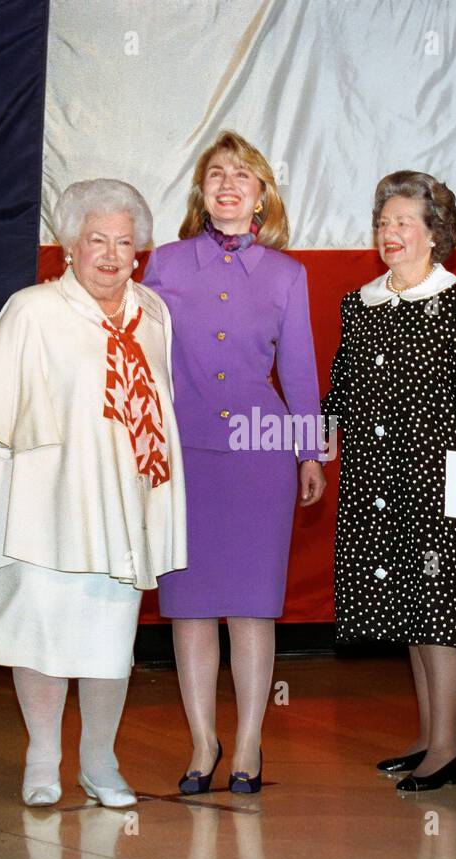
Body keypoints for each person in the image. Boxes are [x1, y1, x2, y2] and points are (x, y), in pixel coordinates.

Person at [0, 179, 185, 809]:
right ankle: (43, 757)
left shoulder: (155, 315)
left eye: (123, 242)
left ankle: (100, 761)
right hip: (47, 501)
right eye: (95, 239)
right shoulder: (33, 310)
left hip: (120, 508)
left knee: (109, 639)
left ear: (140, 251)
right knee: (43, 631)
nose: (109, 253)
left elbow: (161, 414)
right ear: (70, 246)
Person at [142, 130, 326, 794]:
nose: (227, 184)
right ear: (201, 191)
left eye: (241, 176)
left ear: (261, 195)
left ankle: (248, 741)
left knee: (252, 606)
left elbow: (301, 370)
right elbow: (143, 360)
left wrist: (311, 450)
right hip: (183, 454)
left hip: (260, 455)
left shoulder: (288, 274)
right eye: (216, 174)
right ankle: (202, 742)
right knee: (188, 606)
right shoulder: (162, 263)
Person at [322, 170, 456, 792]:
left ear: (433, 234)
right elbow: (342, 386)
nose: (389, 233)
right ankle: (429, 735)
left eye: (403, 222)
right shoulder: (361, 301)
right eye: (382, 222)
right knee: (409, 608)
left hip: (442, 477)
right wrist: (318, 440)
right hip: (378, 476)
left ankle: (449, 748)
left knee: (440, 608)